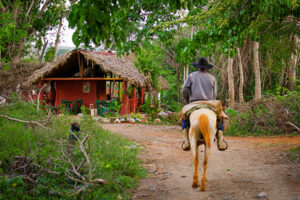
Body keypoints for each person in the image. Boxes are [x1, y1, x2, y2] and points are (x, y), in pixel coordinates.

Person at [181, 57, 227, 151]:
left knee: (184, 117)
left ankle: (186, 141)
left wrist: (187, 100)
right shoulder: (212, 78)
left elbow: (184, 90)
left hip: (194, 103)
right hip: (209, 103)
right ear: (206, 68)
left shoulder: (191, 76)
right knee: (220, 117)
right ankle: (220, 141)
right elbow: (214, 95)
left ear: (198, 67)